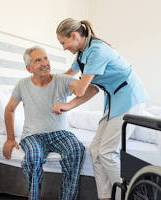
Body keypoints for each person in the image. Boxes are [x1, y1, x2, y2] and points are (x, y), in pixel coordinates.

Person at [53, 18, 149, 200]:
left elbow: (82, 89)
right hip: (115, 101)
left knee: (107, 152)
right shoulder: (82, 54)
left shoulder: (97, 51)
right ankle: (106, 196)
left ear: (73, 36)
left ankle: (130, 195)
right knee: (95, 150)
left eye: (63, 42)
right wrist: (48, 83)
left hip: (129, 98)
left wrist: (68, 102)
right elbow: (70, 78)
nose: (63, 47)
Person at [2, 46, 98, 200]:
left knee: (76, 150)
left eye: (46, 58)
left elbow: (92, 89)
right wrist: (10, 138)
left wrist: (69, 105)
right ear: (29, 68)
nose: (44, 62)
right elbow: (10, 109)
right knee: (33, 156)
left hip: (60, 134)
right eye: (38, 60)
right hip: (33, 135)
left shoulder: (62, 80)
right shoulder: (22, 85)